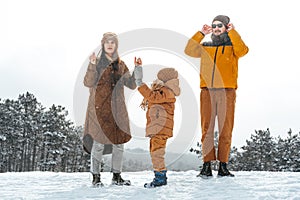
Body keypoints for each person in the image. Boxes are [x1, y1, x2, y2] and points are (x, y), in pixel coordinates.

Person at [184, 15, 249, 178]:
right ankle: (206, 165)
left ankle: (223, 166)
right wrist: (200, 33)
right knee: (207, 129)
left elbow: (243, 50)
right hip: (207, 91)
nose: (217, 28)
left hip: (227, 91)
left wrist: (234, 33)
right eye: (214, 25)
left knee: (225, 129)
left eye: (220, 25)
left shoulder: (232, 46)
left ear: (226, 27)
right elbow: (188, 50)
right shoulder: (205, 46)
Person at [83, 32, 142, 186]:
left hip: (118, 110)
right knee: (99, 144)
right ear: (103, 45)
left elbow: (132, 84)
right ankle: (96, 177)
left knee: (119, 143)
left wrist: (137, 69)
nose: (110, 44)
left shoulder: (121, 65)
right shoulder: (97, 63)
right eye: (107, 42)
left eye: (112, 42)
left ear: (116, 45)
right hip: (99, 109)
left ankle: (117, 177)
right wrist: (92, 65)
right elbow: (88, 82)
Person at [138, 67, 180, 188]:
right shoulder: (165, 90)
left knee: (157, 153)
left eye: (160, 78)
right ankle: (161, 175)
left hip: (160, 128)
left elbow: (152, 96)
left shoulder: (167, 91)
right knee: (155, 152)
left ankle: (160, 178)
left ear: (166, 79)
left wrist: (139, 82)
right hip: (159, 127)